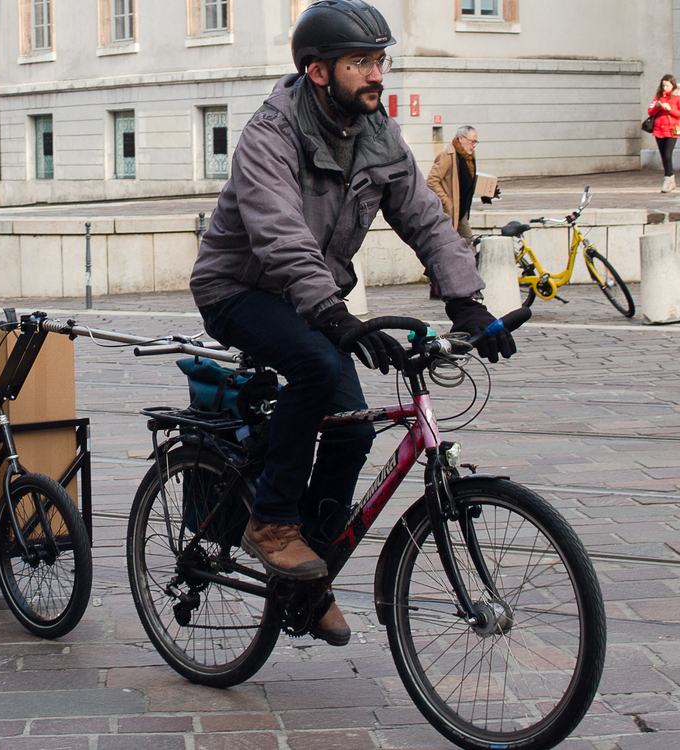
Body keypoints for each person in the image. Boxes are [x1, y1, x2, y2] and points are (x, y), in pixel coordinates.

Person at [189, 0, 518, 648]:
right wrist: (333, 316)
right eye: (361, 62)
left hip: (310, 297)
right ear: (318, 71)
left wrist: (467, 302)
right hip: (238, 288)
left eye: (380, 61)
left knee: (354, 428)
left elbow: (424, 216)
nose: (376, 74)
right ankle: (271, 522)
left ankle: (306, 581)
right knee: (315, 366)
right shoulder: (270, 134)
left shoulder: (377, 132)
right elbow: (281, 237)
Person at [425, 125, 496, 241]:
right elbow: (431, 181)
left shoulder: (469, 157)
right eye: (472, 141)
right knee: (468, 244)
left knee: (461, 245)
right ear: (461, 138)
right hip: (453, 211)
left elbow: (465, 180)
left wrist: (485, 192)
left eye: (476, 142)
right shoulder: (447, 156)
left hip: (462, 211)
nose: (474, 145)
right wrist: (447, 202)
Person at [648, 74, 680, 193]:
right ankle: (669, 178)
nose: (665, 88)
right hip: (659, 129)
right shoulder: (659, 96)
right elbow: (650, 111)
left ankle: (668, 179)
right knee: (663, 156)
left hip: (672, 129)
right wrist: (657, 107)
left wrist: (670, 109)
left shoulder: (679, 96)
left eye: (667, 86)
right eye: (663, 85)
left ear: (673, 85)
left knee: (667, 155)